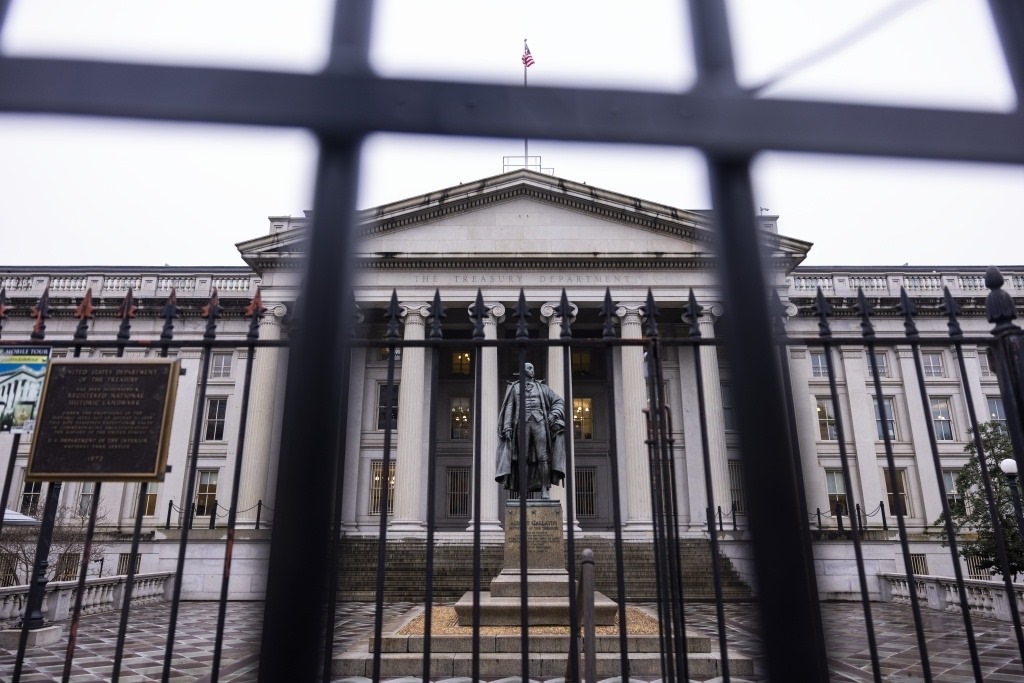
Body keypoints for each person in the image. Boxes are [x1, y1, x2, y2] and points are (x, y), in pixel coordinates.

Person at [495, 362, 566, 498]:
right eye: (529, 368)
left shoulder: (543, 388)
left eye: (533, 368)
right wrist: (507, 426)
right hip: (522, 424)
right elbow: (509, 408)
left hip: (540, 423)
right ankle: (523, 490)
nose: (532, 370)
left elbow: (559, 402)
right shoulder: (514, 388)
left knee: (543, 457)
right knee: (523, 458)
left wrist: (553, 415)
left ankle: (545, 489)